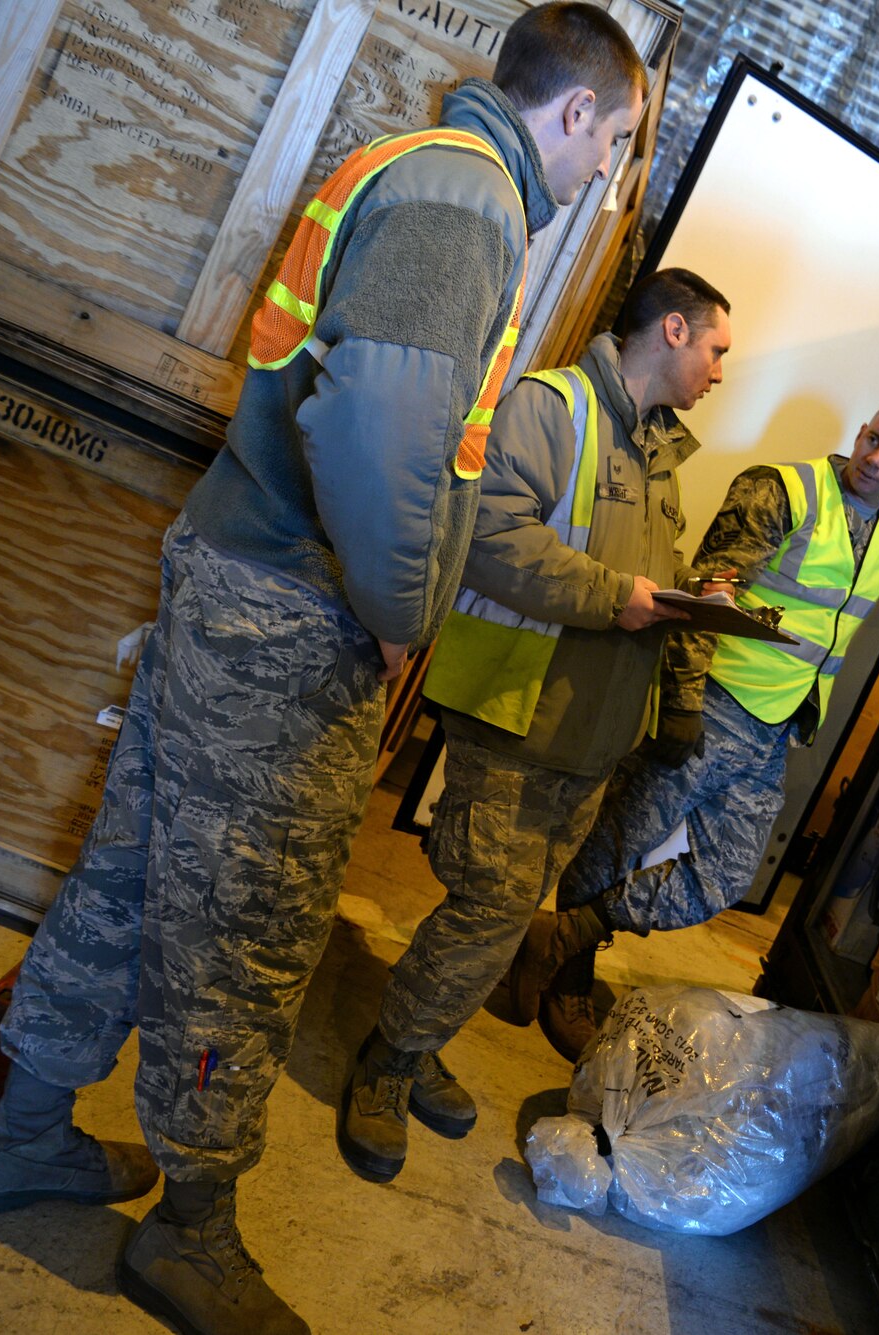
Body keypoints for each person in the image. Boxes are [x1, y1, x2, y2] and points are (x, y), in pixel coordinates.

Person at [0, 8, 645, 1333]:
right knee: (249, 925)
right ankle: (193, 1231)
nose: (601, 174)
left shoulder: (413, 162)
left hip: (232, 578)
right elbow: (378, 418)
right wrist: (394, 613)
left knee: (133, 871)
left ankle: (22, 1132)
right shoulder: (469, 200)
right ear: (574, 117)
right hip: (291, 617)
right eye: (613, 143)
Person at [509, 400, 879, 1058]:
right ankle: (568, 980)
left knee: (724, 875)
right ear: (861, 432)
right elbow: (707, 589)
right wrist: (682, 700)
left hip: (776, 727)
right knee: (619, 840)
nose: (874, 458)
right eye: (872, 438)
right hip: (716, 702)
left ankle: (563, 936)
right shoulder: (781, 491)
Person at [335, 268, 731, 1183]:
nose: (718, 371)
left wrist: (691, 602)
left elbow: (643, 574)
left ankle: (420, 1037)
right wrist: (615, 595)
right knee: (490, 906)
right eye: (714, 349)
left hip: (589, 738)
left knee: (506, 914)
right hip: (517, 716)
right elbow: (489, 536)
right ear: (672, 331)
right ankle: (387, 1065)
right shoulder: (555, 411)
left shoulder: (659, 454)